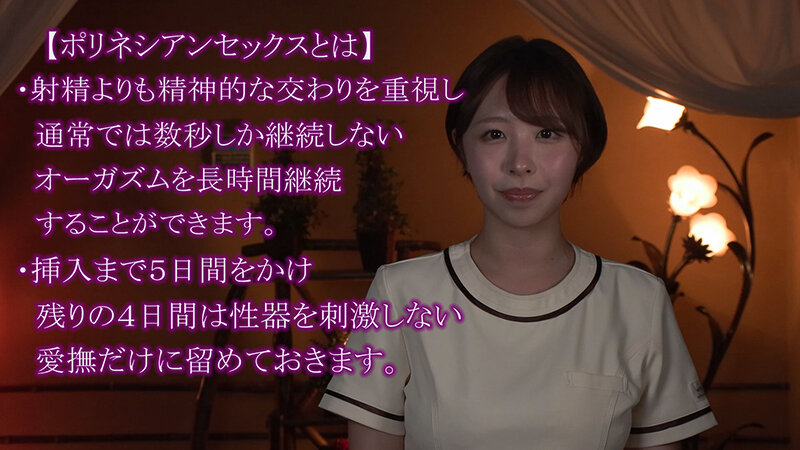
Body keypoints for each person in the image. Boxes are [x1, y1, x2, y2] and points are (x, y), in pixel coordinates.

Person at [319, 37, 717, 449]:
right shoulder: (400, 293)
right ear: (461, 146)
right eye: (494, 134)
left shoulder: (638, 302)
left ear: (584, 147)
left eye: (547, 133)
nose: (520, 163)